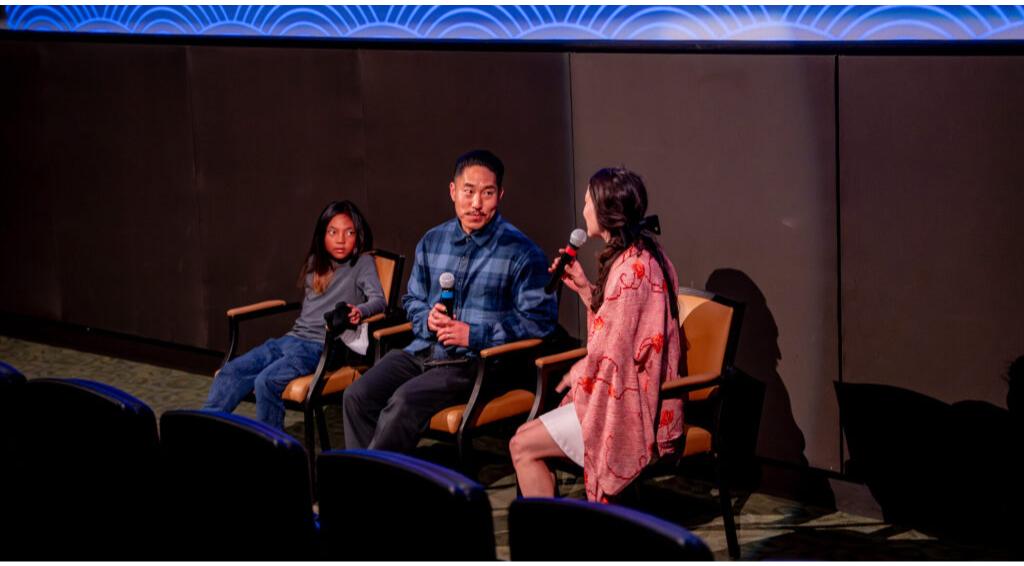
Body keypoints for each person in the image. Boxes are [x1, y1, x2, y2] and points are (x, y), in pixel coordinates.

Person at [343, 149, 558, 453]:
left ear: (500, 195)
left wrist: (475, 334)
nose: (476, 203)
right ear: (453, 191)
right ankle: (372, 487)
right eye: (469, 192)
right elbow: (413, 299)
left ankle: (377, 493)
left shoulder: (521, 252)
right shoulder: (432, 241)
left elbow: (540, 323)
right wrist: (426, 318)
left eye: (487, 193)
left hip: (474, 364)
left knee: (403, 402)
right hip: (424, 350)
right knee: (357, 395)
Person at [509, 167, 685, 502]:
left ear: (605, 210)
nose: (584, 209)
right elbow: (618, 325)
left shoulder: (634, 268)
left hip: (629, 401)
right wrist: (585, 289)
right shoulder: (641, 254)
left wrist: (579, 373)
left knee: (521, 445)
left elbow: (615, 347)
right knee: (523, 439)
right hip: (616, 388)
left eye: (589, 202)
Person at [203, 200, 386, 430]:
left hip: (323, 347)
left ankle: (274, 450)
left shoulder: (362, 263)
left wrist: (360, 311)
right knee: (231, 371)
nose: (341, 239)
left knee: (266, 382)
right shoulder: (315, 262)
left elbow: (379, 301)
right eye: (333, 232)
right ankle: (202, 432)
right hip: (292, 339)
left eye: (349, 233)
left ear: (358, 236)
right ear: (322, 235)